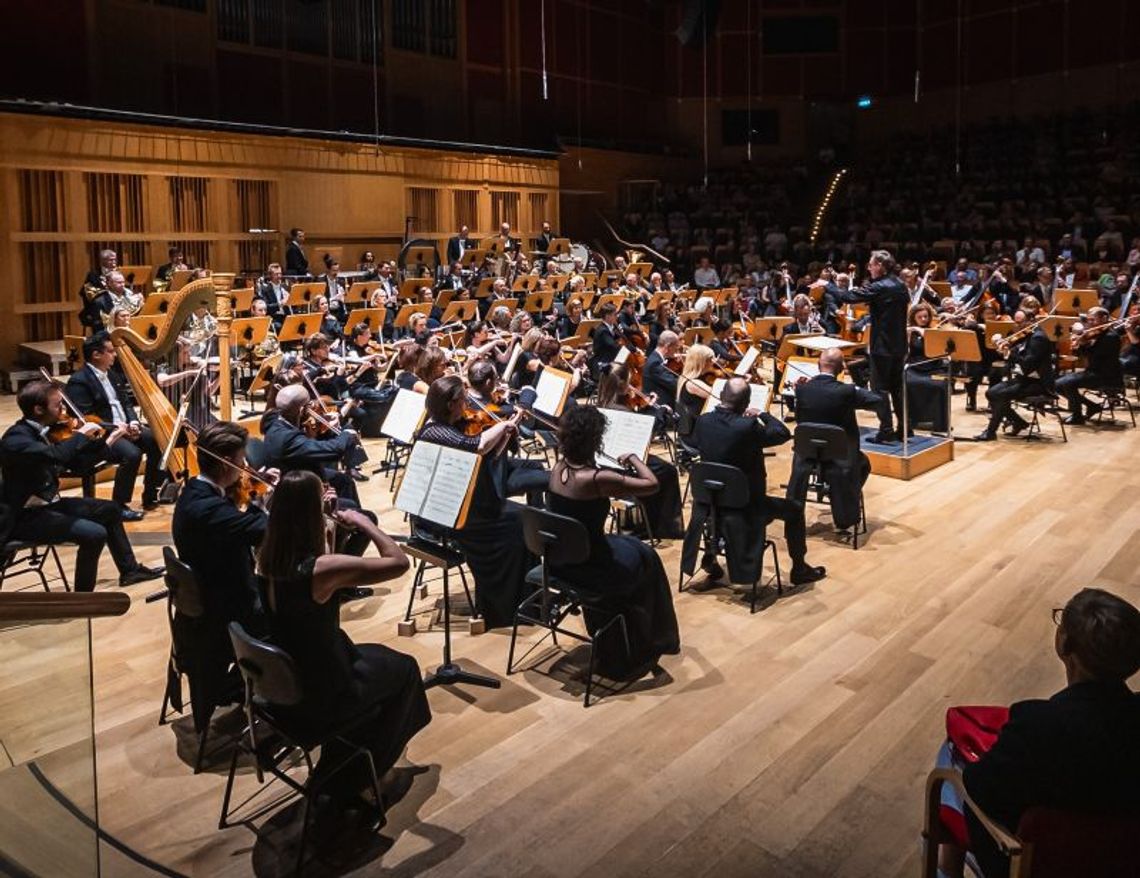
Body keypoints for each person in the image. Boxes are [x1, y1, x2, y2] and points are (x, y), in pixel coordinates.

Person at [257, 470, 431, 826]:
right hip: (325, 689)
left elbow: (322, 566)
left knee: (383, 662)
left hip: (287, 681)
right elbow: (398, 562)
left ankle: (348, 760)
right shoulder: (322, 569)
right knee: (407, 671)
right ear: (309, 514)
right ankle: (363, 775)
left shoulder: (266, 555)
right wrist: (362, 522)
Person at [934, 588, 1140, 878]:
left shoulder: (1037, 725)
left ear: (1064, 643)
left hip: (1028, 865)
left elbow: (979, 789)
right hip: (1125, 863)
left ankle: (944, 870)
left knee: (950, 759)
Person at [547, 405, 680, 680]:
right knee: (649, 559)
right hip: (592, 564)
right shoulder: (596, 479)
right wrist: (633, 457)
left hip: (562, 560)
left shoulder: (557, 468)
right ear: (594, 440)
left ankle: (622, 634)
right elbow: (652, 484)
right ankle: (647, 642)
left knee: (639, 551)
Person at [0, 381, 163, 591]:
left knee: (111, 510)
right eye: (58, 405)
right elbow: (57, 455)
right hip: (23, 516)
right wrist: (80, 435)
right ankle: (82, 597)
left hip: (48, 505)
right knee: (94, 534)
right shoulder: (16, 439)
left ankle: (130, 571)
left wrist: (110, 439)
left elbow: (78, 465)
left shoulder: (46, 431)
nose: (64, 410)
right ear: (38, 409)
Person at [415, 375, 533, 628]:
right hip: (443, 515)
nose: (468, 405)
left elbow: (485, 456)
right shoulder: (434, 430)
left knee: (525, 518)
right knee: (517, 525)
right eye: (463, 400)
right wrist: (500, 427)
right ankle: (504, 608)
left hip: (463, 505)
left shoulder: (450, 425)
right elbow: (476, 446)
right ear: (450, 404)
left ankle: (528, 599)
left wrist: (504, 433)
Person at [687, 377, 825, 587]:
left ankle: (712, 558)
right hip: (747, 505)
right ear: (745, 404)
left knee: (718, 500)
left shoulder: (704, 421)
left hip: (709, 501)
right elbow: (782, 433)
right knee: (795, 510)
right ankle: (799, 568)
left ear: (722, 396)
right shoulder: (747, 426)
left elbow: (698, 444)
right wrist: (762, 413)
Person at [66, 332, 164, 518]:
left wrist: (133, 422)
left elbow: (126, 403)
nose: (115, 355)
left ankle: (151, 494)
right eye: (110, 351)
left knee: (157, 440)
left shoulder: (112, 374)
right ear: (96, 355)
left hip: (125, 426)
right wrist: (117, 428)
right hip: (104, 433)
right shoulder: (79, 381)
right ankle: (119, 505)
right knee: (132, 454)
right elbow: (87, 419)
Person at [787, 349, 881, 532]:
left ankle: (797, 517)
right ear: (841, 369)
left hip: (807, 453)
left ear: (817, 365)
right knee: (864, 464)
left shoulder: (802, 389)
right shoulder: (846, 391)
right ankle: (842, 508)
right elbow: (876, 400)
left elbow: (799, 418)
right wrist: (855, 388)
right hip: (840, 455)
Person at [596, 365, 684, 540]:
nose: (632, 387)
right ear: (621, 386)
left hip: (607, 462)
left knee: (660, 468)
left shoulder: (604, 402)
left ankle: (643, 521)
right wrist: (658, 413)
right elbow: (643, 436)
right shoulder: (619, 409)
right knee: (667, 471)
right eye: (629, 383)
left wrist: (649, 409)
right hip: (623, 463)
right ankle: (661, 526)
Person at [832, 249, 909, 443]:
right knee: (898, 388)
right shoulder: (900, 284)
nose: (869, 267)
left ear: (880, 266)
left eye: (871, 264)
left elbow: (849, 297)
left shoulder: (881, 286)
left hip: (882, 346)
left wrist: (828, 286)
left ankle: (886, 430)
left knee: (879, 389)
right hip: (899, 346)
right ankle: (905, 428)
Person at [974, 315, 1055, 441]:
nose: (1017, 326)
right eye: (1015, 323)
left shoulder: (1039, 338)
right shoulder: (1026, 334)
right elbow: (1017, 351)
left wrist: (1010, 353)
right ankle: (1019, 422)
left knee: (1000, 395)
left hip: (1039, 383)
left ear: (1031, 321)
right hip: (1025, 379)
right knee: (991, 393)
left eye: (1020, 323)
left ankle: (990, 432)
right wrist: (1005, 347)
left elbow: (1028, 365)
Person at [1058, 306, 1122, 425]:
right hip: (1094, 372)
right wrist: (1079, 345)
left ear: (1104, 318)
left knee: (1067, 383)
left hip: (1106, 376)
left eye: (1093, 320)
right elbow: (1085, 356)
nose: (1090, 324)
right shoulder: (1097, 335)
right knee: (1057, 384)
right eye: (1089, 320)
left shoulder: (1111, 337)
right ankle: (1092, 406)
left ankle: (1077, 415)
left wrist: (1083, 343)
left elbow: (1095, 357)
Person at [905, 302, 949, 433]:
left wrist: (921, 331)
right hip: (913, 367)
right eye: (920, 317)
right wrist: (907, 335)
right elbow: (905, 352)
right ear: (913, 318)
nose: (924, 319)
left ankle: (939, 423)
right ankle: (914, 420)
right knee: (909, 383)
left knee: (940, 385)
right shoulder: (908, 331)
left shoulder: (935, 330)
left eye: (926, 316)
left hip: (934, 366)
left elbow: (937, 349)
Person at [642, 330, 681, 402]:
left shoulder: (655, 356)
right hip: (661, 405)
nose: (676, 351)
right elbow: (675, 384)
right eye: (676, 348)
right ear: (668, 346)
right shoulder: (655, 363)